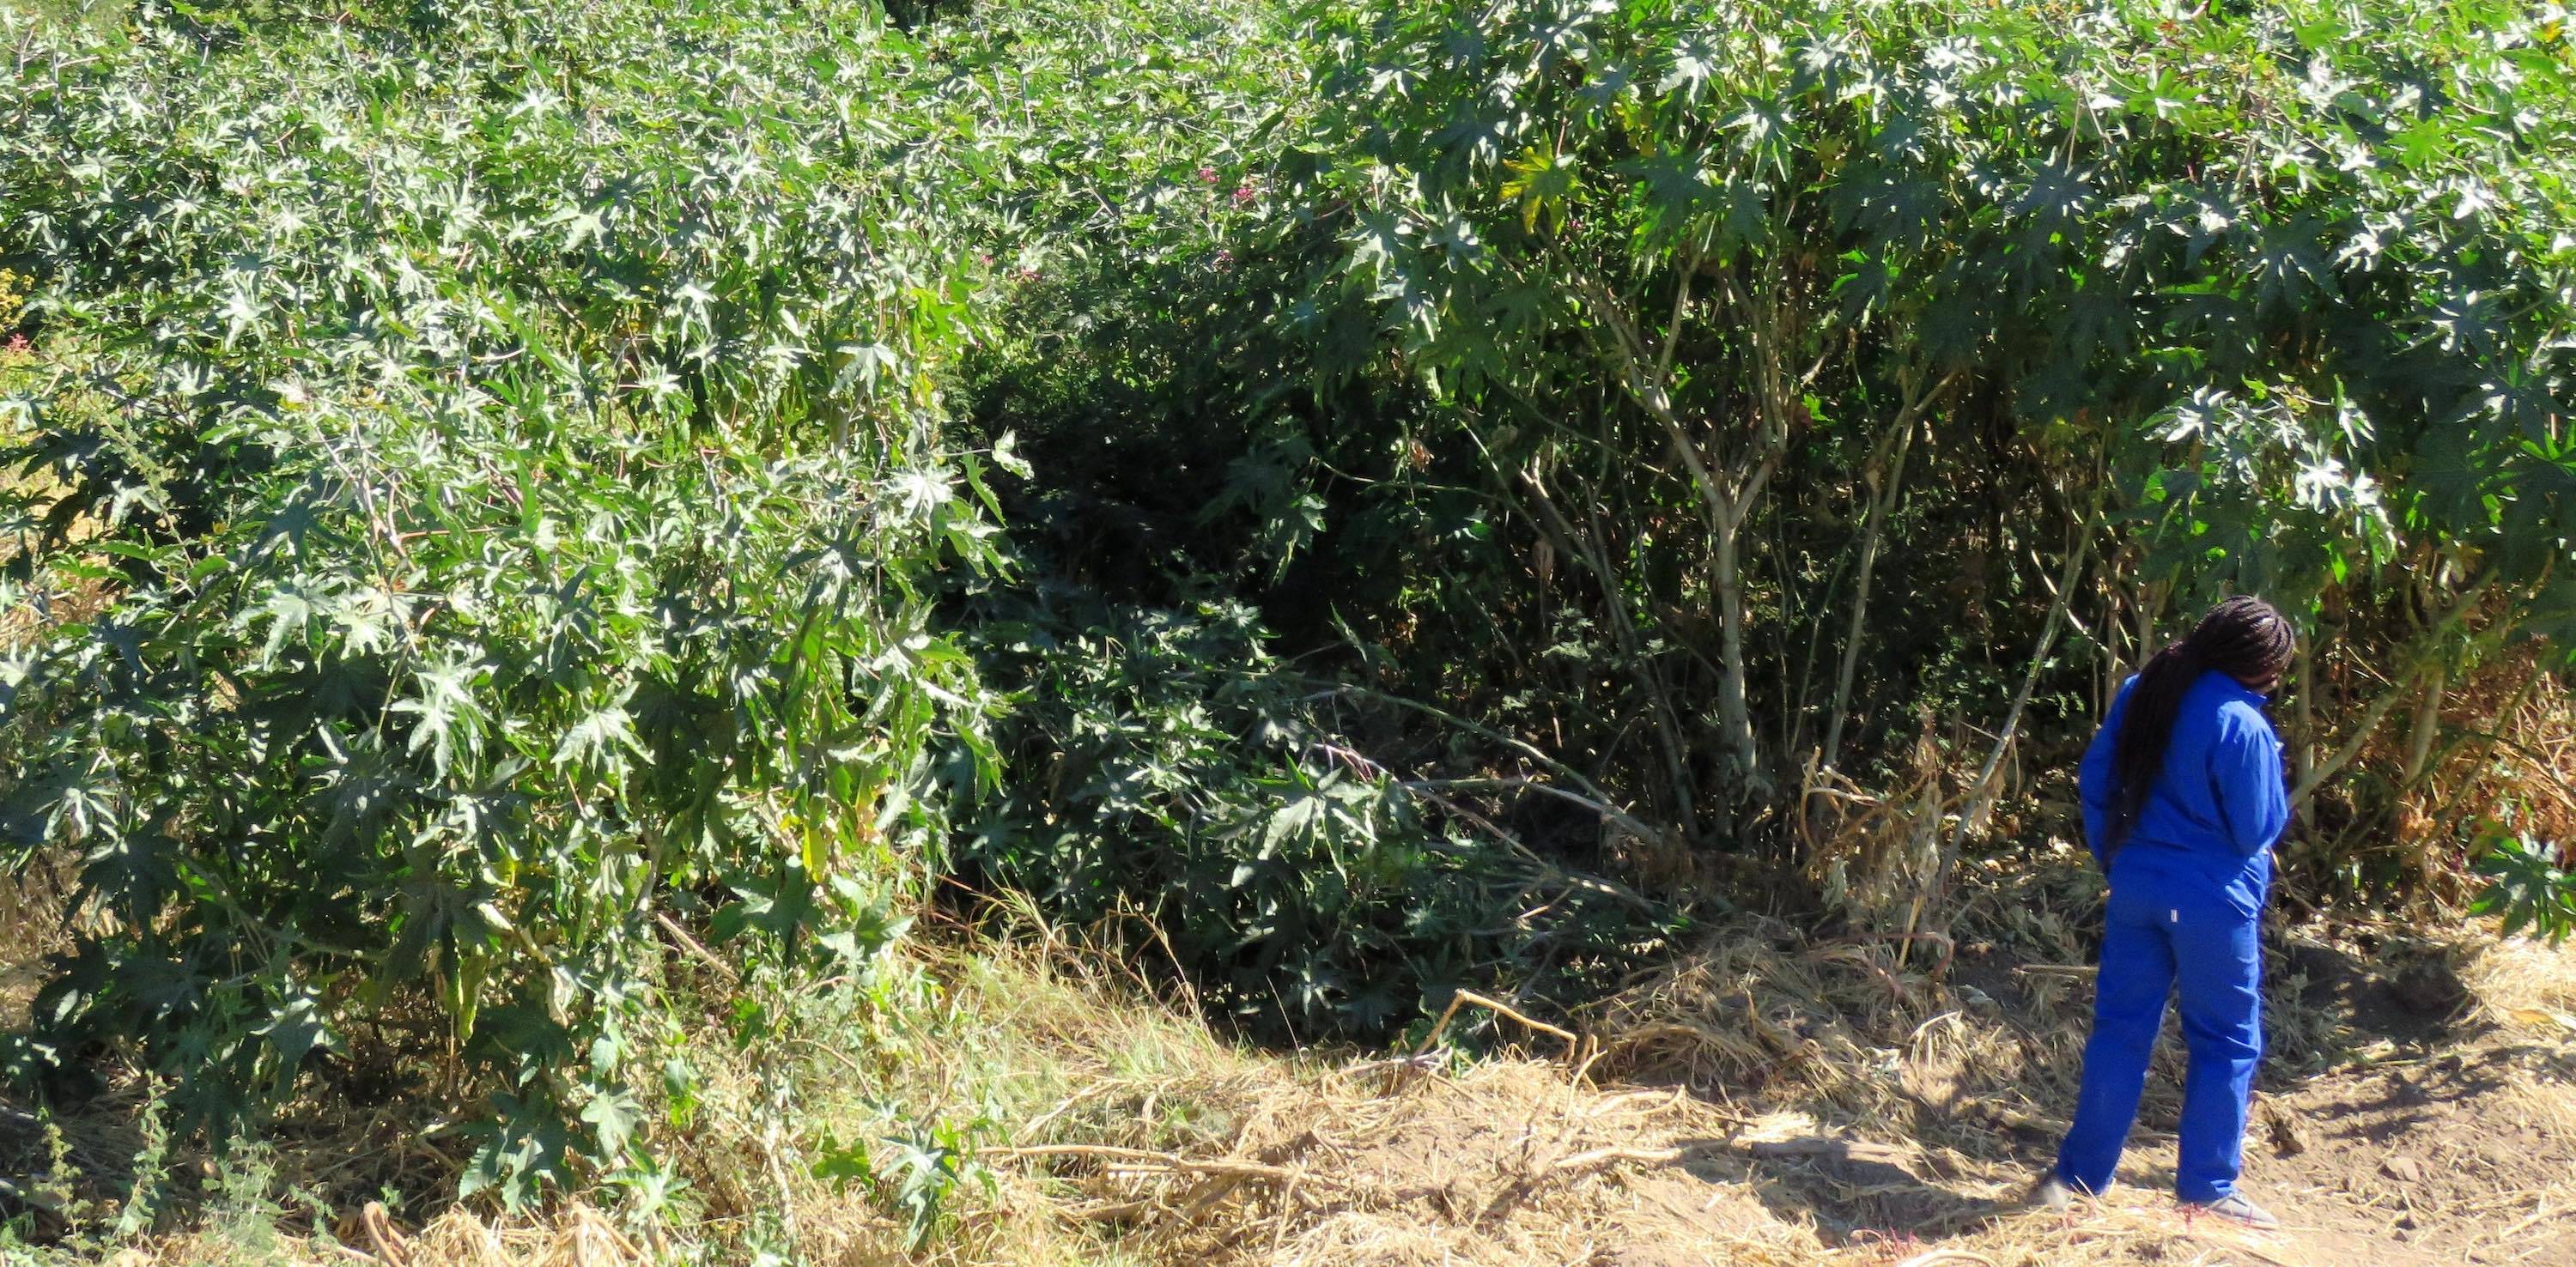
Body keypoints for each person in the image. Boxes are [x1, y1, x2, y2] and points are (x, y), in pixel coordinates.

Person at [2035, 595, 2295, 1228]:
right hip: (2211, 902)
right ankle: (2207, 1188)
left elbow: (2096, 782)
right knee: (2227, 1041)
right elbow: (2257, 827)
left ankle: (2076, 1178)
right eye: (2278, 669)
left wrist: (2118, 864)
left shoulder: (2142, 689)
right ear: (2258, 666)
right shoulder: (2242, 724)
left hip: (2137, 891)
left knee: (2120, 1031)